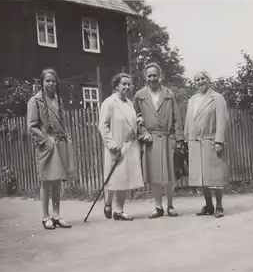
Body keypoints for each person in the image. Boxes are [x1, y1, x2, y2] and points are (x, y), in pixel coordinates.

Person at [27, 68, 77, 230]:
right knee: (46, 181)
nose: (50, 83)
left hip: (59, 142)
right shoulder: (35, 101)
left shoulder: (58, 101)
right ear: (41, 83)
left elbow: (61, 123)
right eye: (47, 80)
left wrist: (65, 136)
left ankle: (56, 214)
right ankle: (45, 216)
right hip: (47, 145)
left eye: (53, 81)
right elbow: (32, 126)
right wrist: (46, 141)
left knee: (57, 181)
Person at [133, 62, 185, 219]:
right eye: (149, 75)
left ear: (160, 76)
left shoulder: (169, 94)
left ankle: (170, 205)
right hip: (151, 140)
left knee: (169, 175)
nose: (152, 78)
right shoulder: (139, 96)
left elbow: (177, 118)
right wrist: (143, 134)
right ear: (145, 77)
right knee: (155, 175)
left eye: (155, 75)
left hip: (168, 138)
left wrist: (179, 138)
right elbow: (135, 118)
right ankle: (158, 206)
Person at [98, 73, 152, 221]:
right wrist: (112, 145)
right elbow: (103, 126)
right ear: (116, 86)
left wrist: (138, 121)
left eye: (129, 84)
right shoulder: (109, 103)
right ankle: (108, 202)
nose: (127, 87)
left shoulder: (129, 103)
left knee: (125, 179)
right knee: (114, 177)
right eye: (124, 84)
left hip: (130, 146)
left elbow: (132, 122)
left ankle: (119, 211)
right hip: (115, 146)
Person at [184, 71, 229, 218]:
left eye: (203, 78)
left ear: (208, 80)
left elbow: (222, 120)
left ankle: (219, 205)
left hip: (210, 141)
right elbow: (188, 121)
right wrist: (187, 139)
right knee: (202, 178)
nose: (200, 82)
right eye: (197, 80)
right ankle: (208, 205)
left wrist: (219, 141)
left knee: (214, 177)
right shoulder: (192, 100)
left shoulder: (216, 98)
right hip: (195, 143)